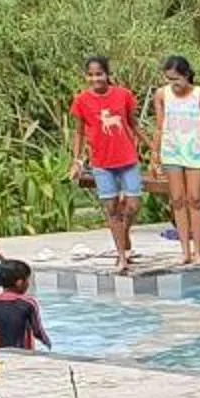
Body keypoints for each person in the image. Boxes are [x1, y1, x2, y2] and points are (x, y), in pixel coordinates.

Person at [68, 56, 144, 275]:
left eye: (99, 74)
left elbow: (132, 123)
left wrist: (152, 147)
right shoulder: (82, 100)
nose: (95, 79)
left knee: (133, 205)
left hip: (127, 157)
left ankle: (124, 233)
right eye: (91, 75)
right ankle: (121, 255)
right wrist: (77, 159)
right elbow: (80, 132)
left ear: (107, 74)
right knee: (111, 209)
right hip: (101, 162)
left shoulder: (123, 95)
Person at [152, 56, 200, 267]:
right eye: (169, 79)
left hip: (195, 151)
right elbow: (160, 126)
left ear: (186, 75)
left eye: (177, 79)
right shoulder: (162, 94)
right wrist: (154, 156)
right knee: (178, 200)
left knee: (195, 199)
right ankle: (184, 250)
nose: (174, 84)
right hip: (172, 150)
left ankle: (198, 250)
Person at [0, 260, 50, 351]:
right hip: (22, 353)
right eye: (27, 280)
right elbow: (38, 332)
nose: (28, 284)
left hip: (1, 352)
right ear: (19, 282)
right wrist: (47, 342)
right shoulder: (29, 303)